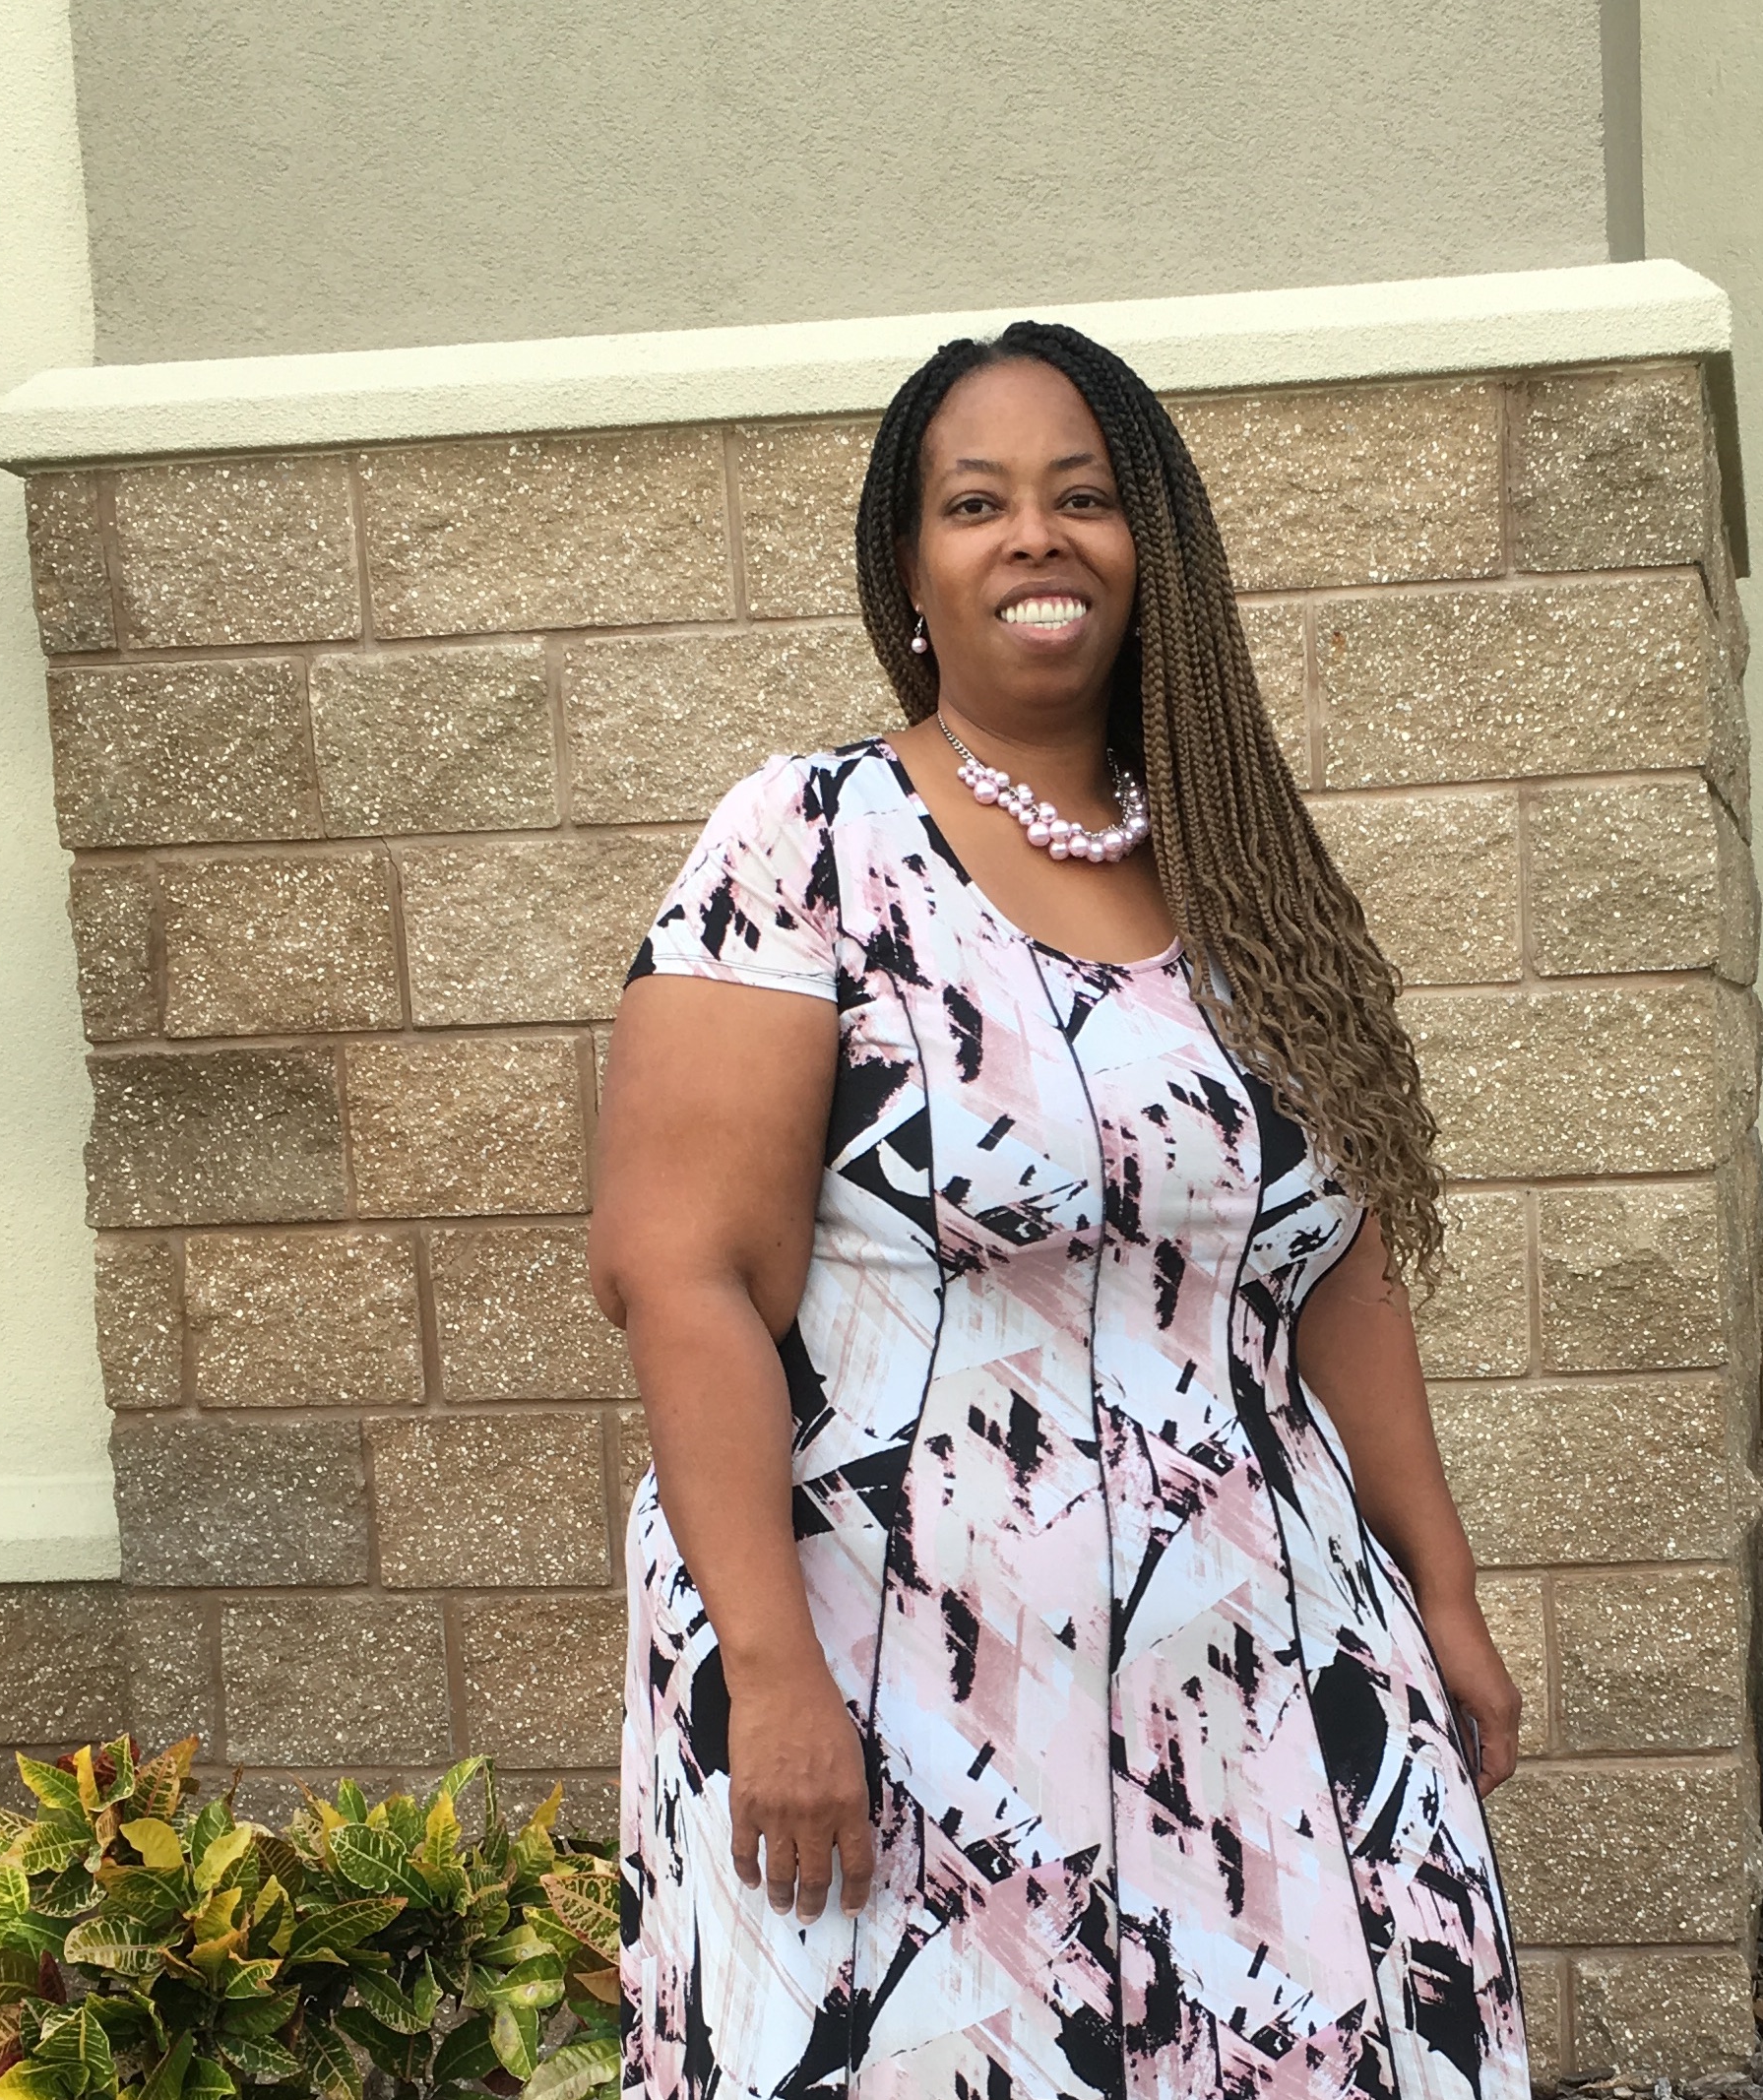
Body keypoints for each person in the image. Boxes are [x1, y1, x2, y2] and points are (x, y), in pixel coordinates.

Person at [591, 319, 1530, 2100]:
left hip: (1255, 1660)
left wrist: (1446, 1589)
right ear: (912, 571)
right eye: (978, 502)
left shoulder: (1239, 858)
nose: (1036, 535)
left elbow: (1335, 1276)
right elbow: (678, 1268)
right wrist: (773, 1678)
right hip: (899, 1662)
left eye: (1083, 497)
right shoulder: (808, 842)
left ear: (1149, 549)